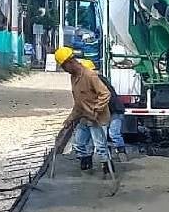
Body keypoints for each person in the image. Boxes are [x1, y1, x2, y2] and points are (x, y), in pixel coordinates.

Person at [55, 47, 112, 175]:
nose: (64, 70)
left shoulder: (90, 75)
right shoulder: (74, 78)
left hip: (97, 118)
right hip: (84, 117)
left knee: (100, 147)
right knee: (78, 143)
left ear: (70, 62)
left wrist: (96, 110)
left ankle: (107, 169)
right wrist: (70, 119)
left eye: (64, 67)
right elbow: (79, 103)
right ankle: (86, 165)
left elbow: (105, 94)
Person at [74, 59, 128, 157]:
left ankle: (121, 154)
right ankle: (104, 157)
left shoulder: (95, 80)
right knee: (103, 134)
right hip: (108, 111)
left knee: (113, 134)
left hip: (115, 111)